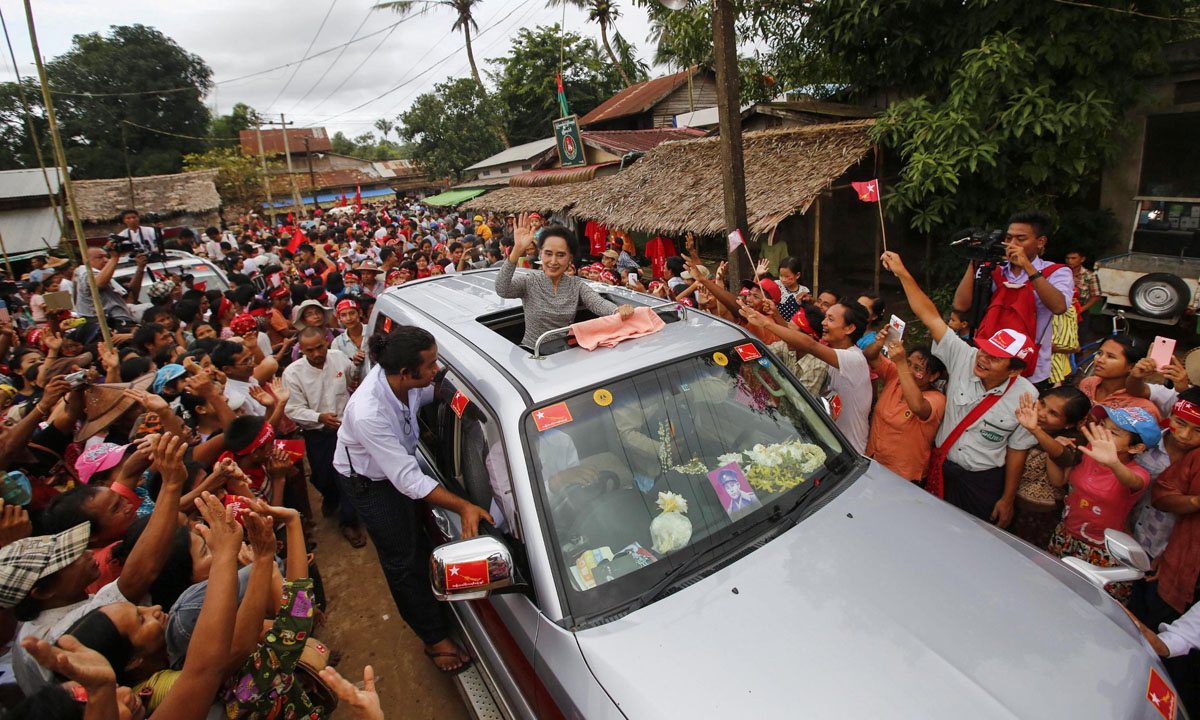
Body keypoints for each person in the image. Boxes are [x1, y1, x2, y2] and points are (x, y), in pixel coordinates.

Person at [333, 325, 493, 674]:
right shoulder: (369, 412)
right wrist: (465, 506)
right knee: (403, 561)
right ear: (405, 373)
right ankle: (434, 638)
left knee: (416, 542)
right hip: (370, 482)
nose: (437, 369)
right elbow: (407, 480)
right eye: (431, 364)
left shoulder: (407, 382)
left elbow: (435, 392)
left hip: (397, 468)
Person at [882, 250, 1038, 526]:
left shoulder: (1026, 396)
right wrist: (902, 272)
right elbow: (930, 317)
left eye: (995, 358)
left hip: (982, 481)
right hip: (941, 469)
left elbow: (1017, 450)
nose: (982, 359)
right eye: (984, 350)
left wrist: (1007, 499)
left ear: (1014, 370)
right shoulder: (964, 356)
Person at [1047, 406, 1157, 602]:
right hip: (1066, 535)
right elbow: (1059, 479)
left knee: (1089, 604)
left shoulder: (1139, 473)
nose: (1102, 433)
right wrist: (1055, 447)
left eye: (1113, 433)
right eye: (1102, 426)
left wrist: (1113, 463)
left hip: (1103, 552)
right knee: (1053, 593)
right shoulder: (1088, 451)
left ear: (1135, 448)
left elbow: (1133, 481)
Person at [739, 295, 872, 454]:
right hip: (828, 444)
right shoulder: (831, 354)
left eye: (830, 319)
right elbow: (798, 338)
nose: (823, 323)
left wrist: (767, 323)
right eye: (825, 317)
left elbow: (809, 345)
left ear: (849, 328)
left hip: (850, 450)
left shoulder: (854, 359)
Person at [494, 213, 632, 348]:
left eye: (560, 255)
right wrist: (517, 251)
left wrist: (617, 310)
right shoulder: (530, 281)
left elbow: (597, 303)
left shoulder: (576, 284)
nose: (553, 261)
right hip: (531, 352)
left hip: (564, 353)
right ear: (541, 253)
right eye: (548, 253)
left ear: (570, 258)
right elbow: (502, 289)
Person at [283, 326, 365, 547]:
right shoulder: (292, 373)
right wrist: (319, 417)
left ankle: (349, 521)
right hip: (318, 435)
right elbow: (293, 409)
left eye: (320, 347)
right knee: (323, 476)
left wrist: (356, 365)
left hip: (345, 431)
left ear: (326, 342)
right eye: (310, 350)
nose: (317, 353)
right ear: (301, 350)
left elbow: (351, 379)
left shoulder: (338, 358)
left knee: (348, 475)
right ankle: (330, 496)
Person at [862, 331, 947, 483]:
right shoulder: (896, 376)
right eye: (909, 363)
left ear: (934, 376)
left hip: (903, 476)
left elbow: (917, 407)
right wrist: (879, 344)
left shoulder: (937, 399)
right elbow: (870, 356)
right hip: (873, 462)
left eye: (918, 369)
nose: (910, 370)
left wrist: (901, 363)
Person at [1077, 335, 1160, 418]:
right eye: (1099, 353)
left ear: (1132, 367)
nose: (1100, 360)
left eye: (1111, 356)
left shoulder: (1142, 409)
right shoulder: (1087, 384)